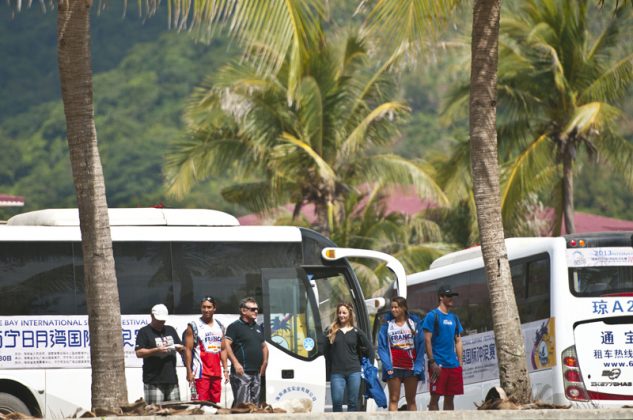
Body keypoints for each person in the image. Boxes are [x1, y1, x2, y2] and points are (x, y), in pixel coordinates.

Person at [377, 296, 425, 411]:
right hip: (393, 367)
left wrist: (418, 365)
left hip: (411, 367)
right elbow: (382, 348)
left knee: (411, 400)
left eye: (396, 307)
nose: (393, 310)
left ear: (403, 308)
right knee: (394, 399)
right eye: (392, 307)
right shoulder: (387, 326)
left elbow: (421, 344)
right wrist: (388, 366)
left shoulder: (414, 323)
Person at [324, 303, 373, 412]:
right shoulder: (331, 331)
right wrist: (329, 369)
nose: (341, 315)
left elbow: (369, 349)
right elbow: (326, 352)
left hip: (354, 372)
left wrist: (366, 367)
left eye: (344, 313)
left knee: (353, 403)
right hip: (337, 373)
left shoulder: (357, 332)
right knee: (337, 403)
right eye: (339, 313)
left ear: (350, 315)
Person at [422, 285, 464, 411]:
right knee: (435, 398)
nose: (451, 299)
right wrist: (432, 362)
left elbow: (458, 340)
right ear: (441, 297)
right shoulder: (432, 316)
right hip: (438, 365)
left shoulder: (454, 318)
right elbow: (427, 340)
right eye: (448, 296)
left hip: (453, 365)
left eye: (452, 296)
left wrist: (460, 362)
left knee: (450, 398)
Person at [135, 303, 185, 404]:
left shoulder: (170, 329)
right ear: (152, 316)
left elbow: (181, 348)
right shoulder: (144, 332)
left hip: (171, 379)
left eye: (163, 320)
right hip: (153, 380)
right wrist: (156, 350)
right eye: (158, 320)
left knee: (176, 410)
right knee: (155, 411)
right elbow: (139, 352)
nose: (161, 323)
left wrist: (180, 348)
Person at [224, 297, 268, 406]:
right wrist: (235, 363)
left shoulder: (257, 327)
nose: (256, 311)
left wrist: (265, 363)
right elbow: (226, 345)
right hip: (242, 373)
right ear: (243, 311)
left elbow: (264, 346)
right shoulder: (234, 327)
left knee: (255, 405)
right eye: (252, 309)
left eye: (257, 309)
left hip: (256, 373)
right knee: (243, 406)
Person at [184, 296, 229, 403]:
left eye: (209, 307)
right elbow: (188, 349)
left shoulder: (220, 326)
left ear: (214, 308)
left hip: (216, 373)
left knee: (215, 404)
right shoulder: (193, 326)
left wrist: (226, 369)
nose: (206, 310)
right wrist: (189, 371)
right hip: (200, 373)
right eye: (204, 307)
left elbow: (223, 349)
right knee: (201, 404)